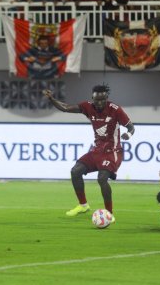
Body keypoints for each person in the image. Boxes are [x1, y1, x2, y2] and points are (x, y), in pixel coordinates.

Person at [43, 85, 135, 219]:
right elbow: (66, 108)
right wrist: (51, 99)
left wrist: (129, 135)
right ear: (93, 98)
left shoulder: (115, 110)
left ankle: (109, 213)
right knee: (75, 171)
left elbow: (131, 127)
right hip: (97, 151)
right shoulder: (88, 107)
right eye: (97, 100)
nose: (100, 103)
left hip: (113, 151)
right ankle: (83, 205)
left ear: (106, 98)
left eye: (103, 99)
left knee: (102, 178)